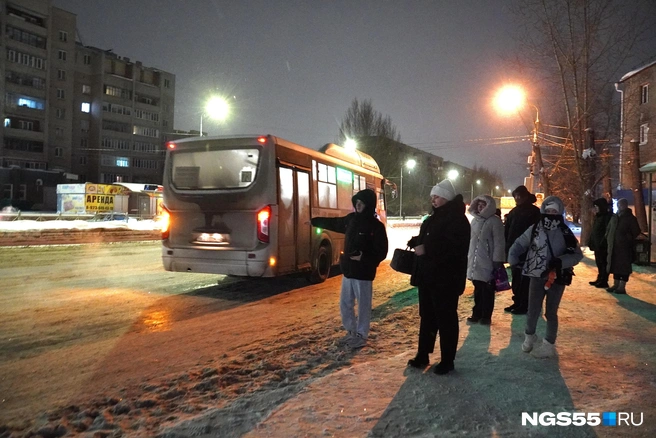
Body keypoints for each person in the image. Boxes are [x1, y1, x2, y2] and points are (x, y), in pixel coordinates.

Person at [406, 179, 470, 374]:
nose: (433, 200)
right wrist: (417, 241)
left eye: (437, 196)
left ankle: (447, 360)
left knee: (446, 320)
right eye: (432, 196)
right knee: (427, 317)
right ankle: (423, 354)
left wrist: (427, 248)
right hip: (428, 277)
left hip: (446, 280)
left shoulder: (457, 219)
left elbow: (455, 249)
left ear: (447, 197)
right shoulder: (434, 217)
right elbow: (433, 238)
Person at [310, 189, 388, 349]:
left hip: (364, 273)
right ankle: (351, 332)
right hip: (349, 270)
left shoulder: (376, 226)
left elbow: (382, 251)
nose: (357, 206)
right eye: (356, 202)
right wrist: (314, 221)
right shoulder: (351, 220)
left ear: (368, 205)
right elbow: (334, 223)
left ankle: (361, 335)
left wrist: (364, 257)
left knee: (363, 306)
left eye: (361, 203)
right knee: (345, 303)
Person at [508, 196, 583, 358]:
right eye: (548, 211)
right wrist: (513, 257)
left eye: (554, 211)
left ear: (560, 212)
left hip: (557, 277)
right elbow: (520, 243)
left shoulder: (565, 231)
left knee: (551, 312)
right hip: (536, 274)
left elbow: (577, 255)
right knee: (532, 308)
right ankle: (530, 335)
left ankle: (549, 343)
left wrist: (560, 262)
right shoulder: (535, 228)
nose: (550, 214)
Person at [466, 195, 506, 325]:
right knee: (478, 289)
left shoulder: (495, 221)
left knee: (488, 290)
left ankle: (486, 316)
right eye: (479, 205)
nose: (480, 207)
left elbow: (499, 242)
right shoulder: (474, 221)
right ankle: (476, 313)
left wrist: (497, 260)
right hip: (475, 261)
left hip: (488, 261)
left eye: (484, 205)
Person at [503, 185, 541, 315]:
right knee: (516, 278)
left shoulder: (534, 212)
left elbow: (536, 233)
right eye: (516, 196)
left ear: (525, 196)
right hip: (514, 251)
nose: (517, 198)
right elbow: (507, 231)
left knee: (525, 280)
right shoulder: (514, 212)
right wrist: (507, 248)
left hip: (527, 252)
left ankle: (525, 304)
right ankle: (517, 301)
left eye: (520, 196)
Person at [605, 198, 641, 294]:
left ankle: (622, 286)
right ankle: (616, 284)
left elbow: (636, 231)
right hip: (614, 246)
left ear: (625, 205)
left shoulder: (630, 218)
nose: (619, 207)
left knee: (624, 267)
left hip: (625, 247)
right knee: (615, 265)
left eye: (621, 205)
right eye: (619, 205)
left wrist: (627, 238)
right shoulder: (615, 217)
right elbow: (609, 229)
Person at [586, 197, 612, 288]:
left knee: (603, 262)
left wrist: (602, 243)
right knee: (599, 262)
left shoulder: (606, 217)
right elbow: (594, 231)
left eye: (596, 207)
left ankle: (604, 280)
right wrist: (591, 242)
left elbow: (607, 232)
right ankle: (600, 278)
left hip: (602, 245)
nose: (595, 209)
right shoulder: (599, 216)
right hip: (597, 245)